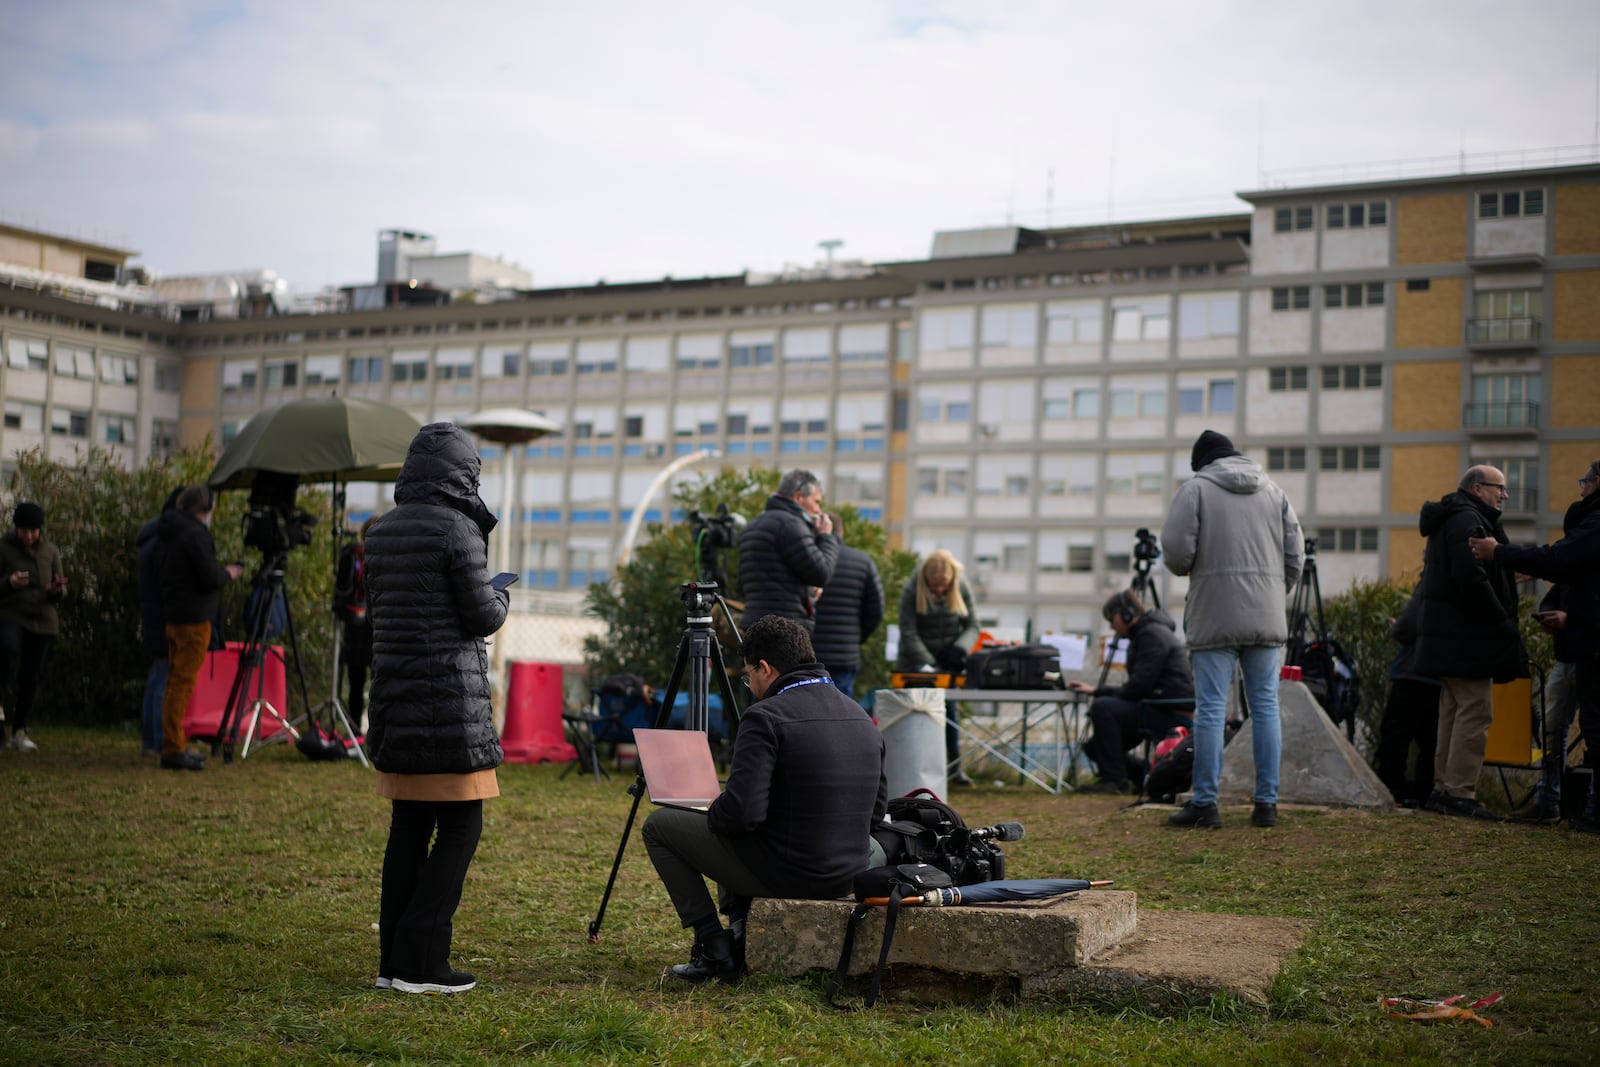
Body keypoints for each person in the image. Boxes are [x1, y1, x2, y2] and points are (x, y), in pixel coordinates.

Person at [641, 615, 887, 984]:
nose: (750, 685)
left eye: (748, 675)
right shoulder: (860, 716)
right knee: (744, 823)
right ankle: (741, 930)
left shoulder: (765, 716)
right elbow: (876, 813)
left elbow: (741, 815)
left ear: (766, 668)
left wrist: (716, 806)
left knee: (660, 826)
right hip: (851, 871)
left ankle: (714, 945)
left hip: (792, 874)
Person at [365, 422, 510, 994]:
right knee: (461, 826)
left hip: (396, 700)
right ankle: (423, 961)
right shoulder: (458, 529)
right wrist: (501, 593)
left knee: (407, 828)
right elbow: (482, 616)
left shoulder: (379, 531)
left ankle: (392, 963)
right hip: (449, 706)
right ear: (463, 473)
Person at [1160, 430, 1304, 829]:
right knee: (1265, 708)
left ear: (1202, 462)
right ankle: (1266, 805)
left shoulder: (1196, 490)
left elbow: (1175, 551)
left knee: (1210, 711)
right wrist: (1274, 592)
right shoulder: (1274, 492)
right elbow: (1296, 555)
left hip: (1214, 615)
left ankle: (1205, 804)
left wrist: (1189, 568)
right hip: (1266, 615)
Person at [1469, 458, 1600, 834]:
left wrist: (1500, 553)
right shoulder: (1582, 544)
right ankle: (1549, 801)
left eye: (1586, 480)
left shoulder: (1592, 530)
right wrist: (1553, 610)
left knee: (1595, 728)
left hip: (1588, 646)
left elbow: (1559, 560)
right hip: (1573, 651)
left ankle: (1591, 809)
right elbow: (1559, 573)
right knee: (1556, 728)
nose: (1580, 487)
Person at [1415, 465, 1525, 820]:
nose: (1504, 495)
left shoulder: (1457, 517)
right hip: (1467, 638)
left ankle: (1443, 789)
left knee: (1453, 711)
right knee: (1476, 711)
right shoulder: (1468, 520)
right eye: (1500, 488)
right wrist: (1501, 619)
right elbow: (1470, 577)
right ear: (1478, 488)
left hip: (1451, 637)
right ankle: (1460, 792)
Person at [1071, 590, 1194, 795]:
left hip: (1167, 711)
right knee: (1095, 748)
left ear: (1126, 614)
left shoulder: (1151, 635)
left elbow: (1139, 686)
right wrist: (1097, 690)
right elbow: (1139, 687)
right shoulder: (1149, 633)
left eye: (1112, 619)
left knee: (1103, 708)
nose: (1111, 626)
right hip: (1158, 705)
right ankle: (1148, 776)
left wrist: (1100, 694)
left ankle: (1113, 781)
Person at [158, 486, 245, 771]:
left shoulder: (169, 529)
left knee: (174, 682)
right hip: (194, 619)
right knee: (181, 685)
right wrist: (228, 573)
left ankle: (174, 742)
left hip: (175, 615)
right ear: (204, 509)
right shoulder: (195, 534)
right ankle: (174, 748)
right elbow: (208, 577)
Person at [895, 550, 981, 786]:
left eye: (943, 586)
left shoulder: (961, 586)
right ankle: (910, 768)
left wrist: (959, 650)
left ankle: (954, 769)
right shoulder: (912, 590)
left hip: (948, 663)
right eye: (934, 586)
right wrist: (928, 662)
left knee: (949, 714)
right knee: (913, 714)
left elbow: (973, 625)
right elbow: (908, 630)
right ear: (926, 580)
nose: (939, 591)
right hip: (913, 663)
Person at [0, 502, 68, 753]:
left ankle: (20, 730)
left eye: (33, 530)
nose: (28, 536)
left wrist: (57, 589)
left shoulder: (50, 552)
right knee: (5, 658)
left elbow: (61, 586)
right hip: (11, 614)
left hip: (43, 620)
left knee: (31, 676)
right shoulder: (3, 549)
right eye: (23, 530)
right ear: (16, 528)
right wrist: (9, 583)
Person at [737, 469, 840, 631]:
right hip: (784, 629)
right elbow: (822, 573)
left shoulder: (754, 524)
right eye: (816, 502)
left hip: (753, 623)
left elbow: (746, 584)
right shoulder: (791, 525)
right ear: (798, 497)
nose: (818, 510)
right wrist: (826, 536)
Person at [1373, 586, 1440, 808]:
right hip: (1441, 675)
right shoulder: (1465, 578)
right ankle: (1425, 794)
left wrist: (1396, 629)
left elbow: (1409, 625)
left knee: (1395, 736)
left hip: (1413, 672)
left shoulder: (1431, 581)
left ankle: (1391, 791)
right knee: (1431, 741)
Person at [810, 514, 885, 699]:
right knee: (840, 715)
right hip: (844, 656)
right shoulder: (862, 561)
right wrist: (854, 638)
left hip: (809, 653)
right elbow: (876, 611)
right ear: (841, 532)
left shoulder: (806, 560)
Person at [136, 488, 183, 757]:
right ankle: (158, 740)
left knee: (157, 678)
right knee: (164, 680)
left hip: (153, 616)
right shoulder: (162, 543)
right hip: (164, 617)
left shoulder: (150, 539)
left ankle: (151, 740)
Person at [335, 516, 375, 729]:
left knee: (356, 686)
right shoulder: (382, 557)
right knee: (379, 686)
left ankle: (354, 732)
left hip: (354, 629)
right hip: (375, 631)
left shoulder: (353, 555)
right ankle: (377, 732)